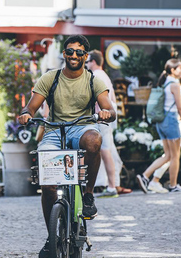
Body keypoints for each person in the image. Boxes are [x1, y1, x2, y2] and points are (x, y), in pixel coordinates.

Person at [18, 35, 116, 258]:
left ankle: (88, 194)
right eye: (70, 51)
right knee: (48, 182)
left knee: (94, 140)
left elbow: (109, 108)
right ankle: (51, 237)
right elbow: (31, 107)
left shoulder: (94, 81)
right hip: (53, 131)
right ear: (64, 54)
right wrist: (25, 114)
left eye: (79, 52)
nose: (74, 56)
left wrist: (106, 112)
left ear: (85, 56)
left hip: (81, 128)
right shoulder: (50, 78)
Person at [137, 59, 181, 193]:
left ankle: (145, 176)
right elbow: (180, 108)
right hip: (171, 121)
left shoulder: (165, 83)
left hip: (161, 122)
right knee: (175, 156)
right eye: (180, 68)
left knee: (167, 155)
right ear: (172, 70)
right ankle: (173, 185)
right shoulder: (174, 85)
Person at [86, 50, 119, 198]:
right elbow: (112, 98)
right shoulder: (104, 75)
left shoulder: (96, 76)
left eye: (87, 62)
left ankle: (112, 186)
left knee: (105, 151)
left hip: (101, 117)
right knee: (106, 150)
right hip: (106, 117)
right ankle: (112, 185)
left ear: (93, 62)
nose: (86, 64)